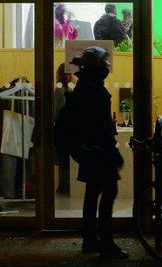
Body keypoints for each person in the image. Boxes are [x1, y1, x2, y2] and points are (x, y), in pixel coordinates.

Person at [67, 46, 126, 258]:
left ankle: (90, 239)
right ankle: (106, 243)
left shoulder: (84, 85)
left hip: (89, 149)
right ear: (97, 66)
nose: (108, 67)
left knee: (93, 193)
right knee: (109, 192)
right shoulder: (94, 89)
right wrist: (112, 150)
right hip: (99, 150)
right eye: (104, 63)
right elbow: (99, 124)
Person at [54, 63, 76, 195]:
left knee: (65, 160)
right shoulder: (60, 89)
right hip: (63, 130)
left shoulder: (66, 89)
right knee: (64, 160)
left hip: (65, 130)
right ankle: (64, 186)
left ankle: (65, 185)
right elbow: (59, 112)